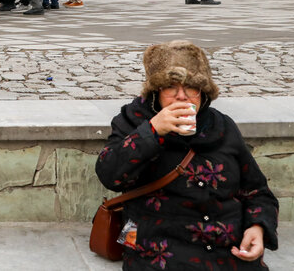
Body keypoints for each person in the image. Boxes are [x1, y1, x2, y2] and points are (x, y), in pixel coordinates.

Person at [95, 40, 278, 269]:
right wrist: (152, 132)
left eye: (191, 87)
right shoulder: (132, 121)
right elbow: (109, 174)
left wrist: (257, 227)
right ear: (155, 92)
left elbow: (257, 190)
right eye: (171, 87)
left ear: (203, 92)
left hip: (227, 252)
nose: (182, 97)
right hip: (158, 251)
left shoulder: (222, 126)